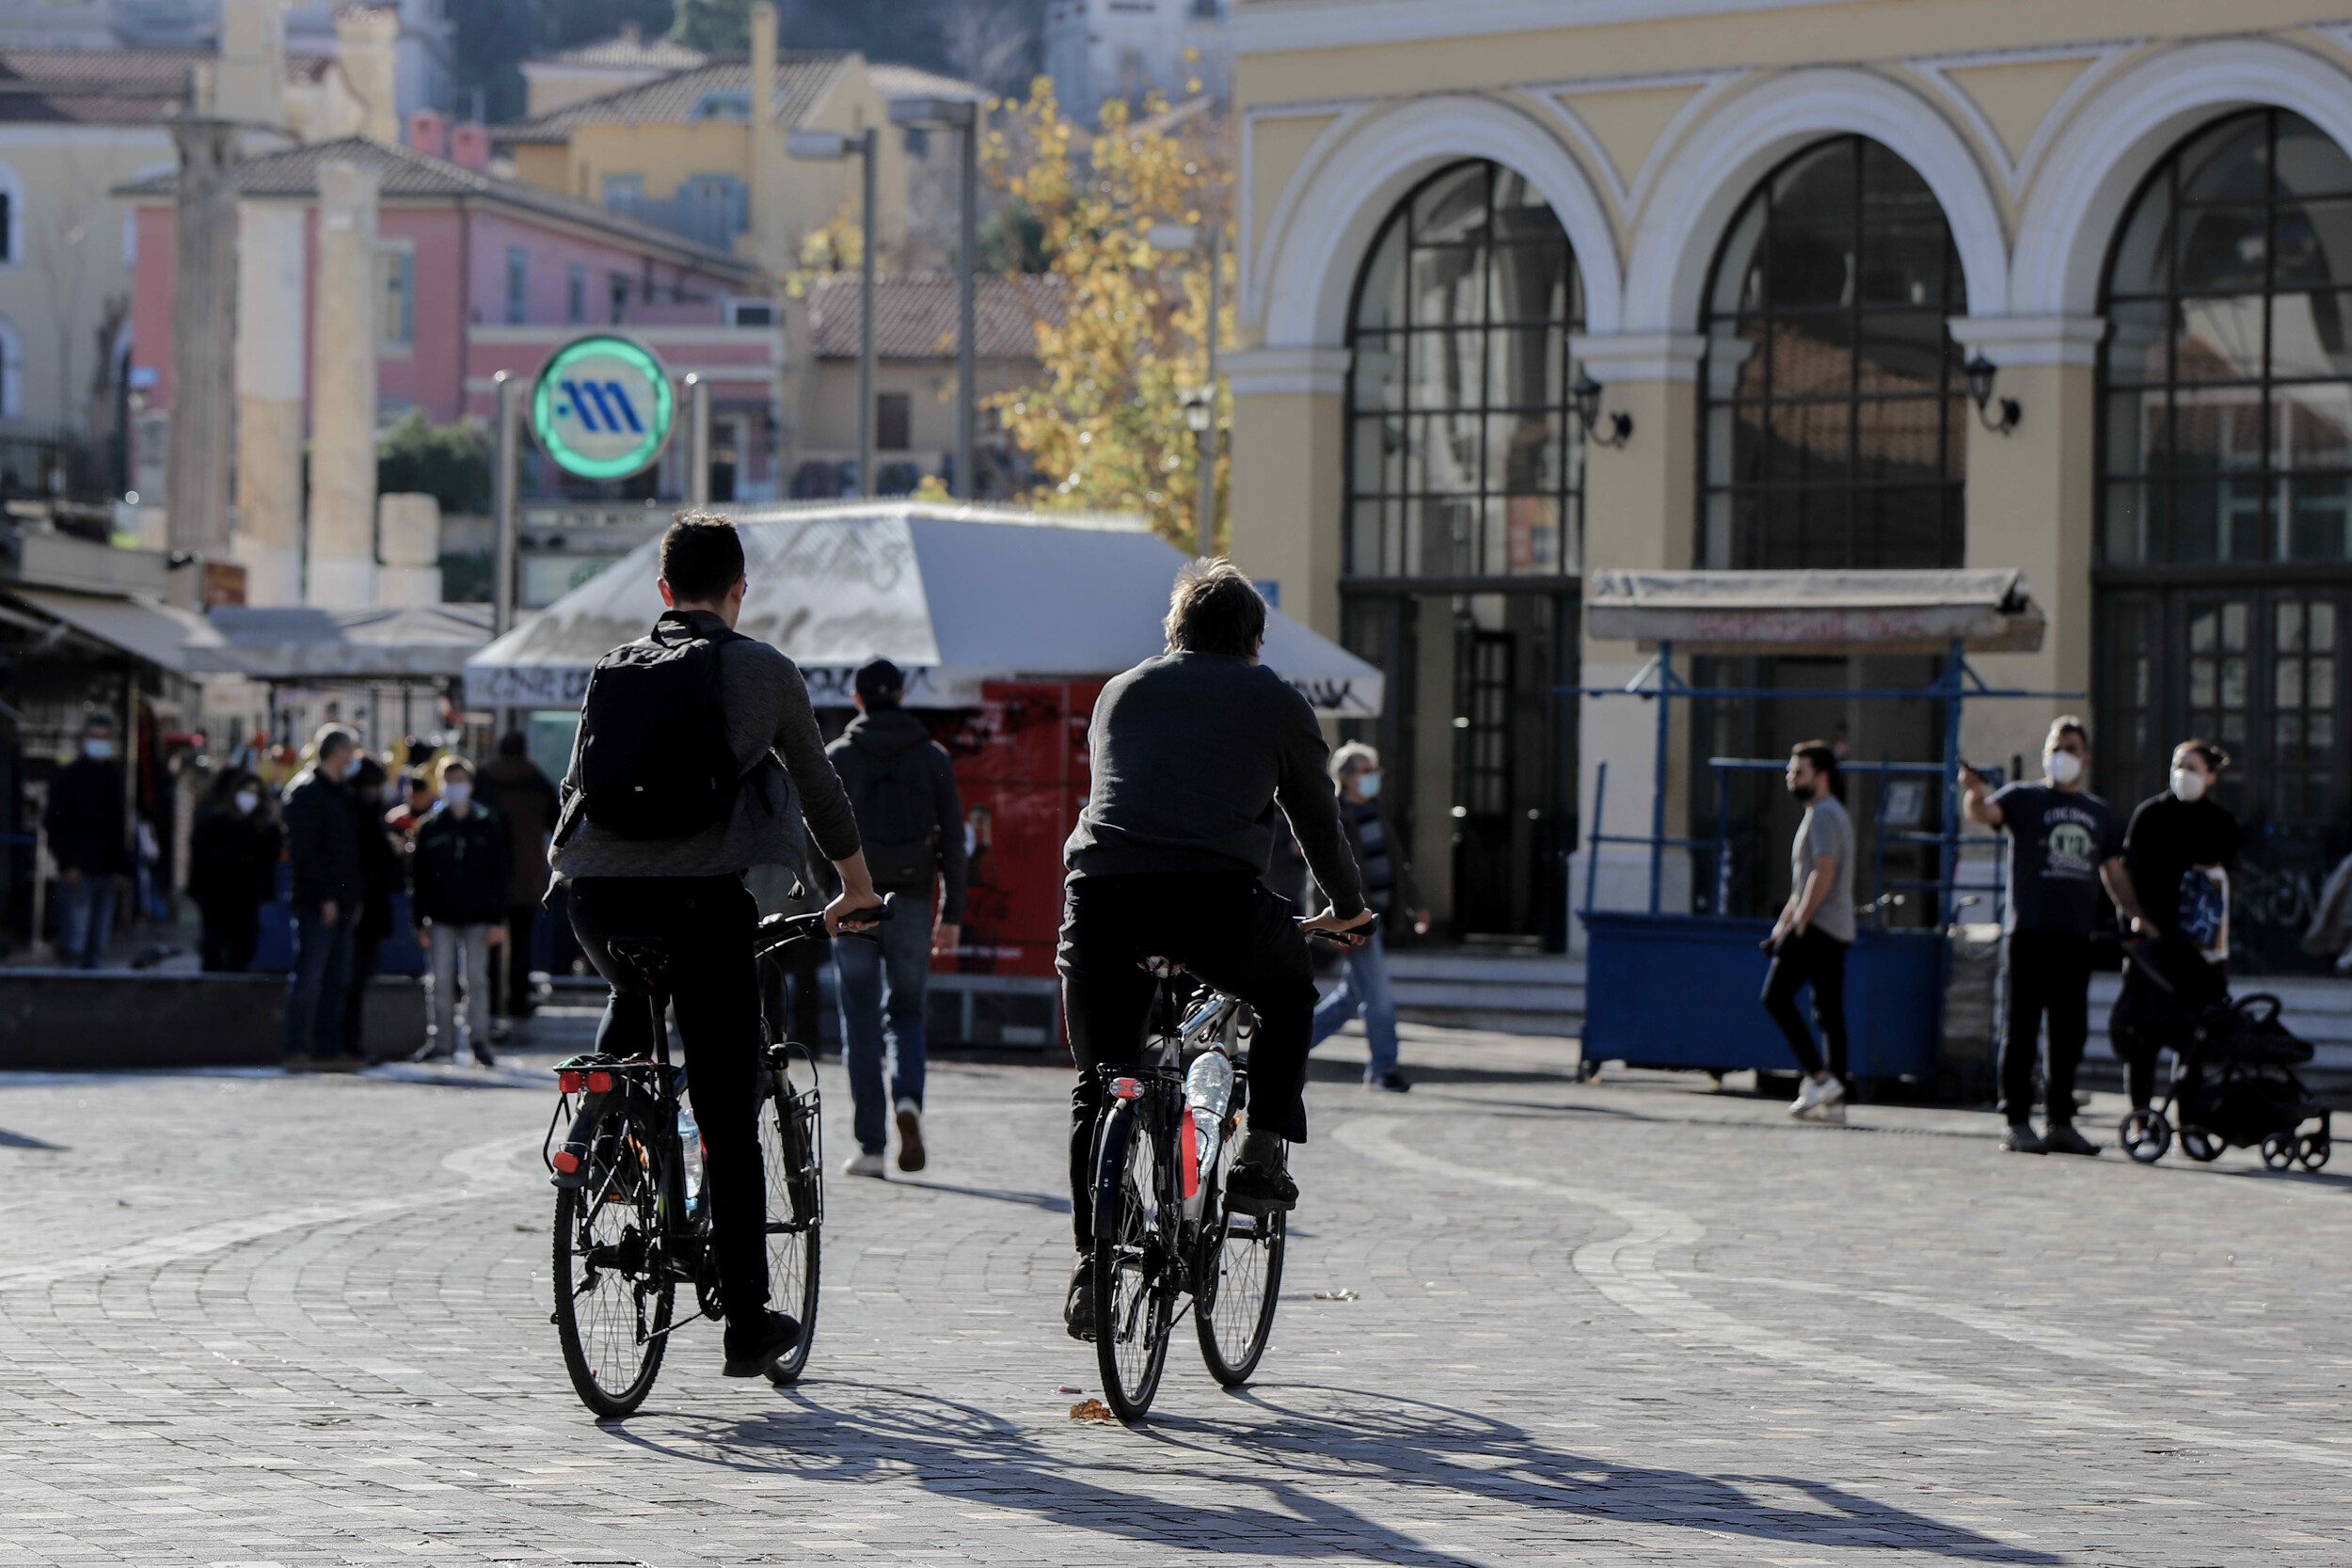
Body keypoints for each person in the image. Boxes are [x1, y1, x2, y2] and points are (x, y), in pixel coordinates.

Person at [551, 511, 882, 1381]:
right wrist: (855, 885)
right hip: (701, 903)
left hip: (593, 896)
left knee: (635, 988)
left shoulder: (612, 668)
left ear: (661, 592)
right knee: (728, 1107)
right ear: (739, 591)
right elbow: (818, 786)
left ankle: (609, 1129)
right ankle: (744, 1322)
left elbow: (578, 783)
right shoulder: (764, 669)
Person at [1057, 560, 1375, 1338]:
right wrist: (1348, 907)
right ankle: (1262, 1151)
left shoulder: (1120, 690)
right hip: (1213, 904)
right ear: (1255, 641)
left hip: (1099, 898)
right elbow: (1315, 819)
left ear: (1175, 633)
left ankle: (1094, 1267)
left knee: (1100, 1085)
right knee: (1289, 992)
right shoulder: (1273, 699)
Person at [1961, 718, 2140, 1156]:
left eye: (2071, 747)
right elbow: (1984, 814)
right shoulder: (2024, 798)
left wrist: (2136, 916)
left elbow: (2113, 871)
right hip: (2028, 932)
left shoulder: (2098, 812)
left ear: (2085, 758)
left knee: (2068, 1033)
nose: (2061, 754)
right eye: (2055, 746)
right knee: (2020, 1030)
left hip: (2074, 937)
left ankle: (2060, 1121)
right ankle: (2017, 1120)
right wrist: (1973, 791)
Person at [824, 657, 967, 1178]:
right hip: (911, 897)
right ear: (903, 696)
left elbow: (814, 834)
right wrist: (951, 913)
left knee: (858, 1021)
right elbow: (954, 840)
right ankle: (907, 1100)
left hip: (853, 901)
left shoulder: (837, 756)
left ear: (857, 699)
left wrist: (830, 896)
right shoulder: (933, 757)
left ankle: (871, 1148)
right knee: (905, 1013)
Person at [2114, 739, 2243, 1114]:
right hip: (2152, 941)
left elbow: (2236, 874)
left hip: (2199, 949)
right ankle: (2140, 1116)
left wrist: (2214, 876)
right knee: (2142, 1035)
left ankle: (2190, 1121)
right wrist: (2136, 919)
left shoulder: (2220, 821)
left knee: (2195, 1036)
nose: (2182, 773)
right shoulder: (2150, 815)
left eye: (2192, 767)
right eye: (2178, 764)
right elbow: (2127, 872)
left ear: (2210, 776)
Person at [1307, 741, 1431, 1092]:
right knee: (1378, 999)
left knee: (1349, 999)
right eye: (1366, 771)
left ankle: (1284, 1048)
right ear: (1346, 778)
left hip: (1378, 920)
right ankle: (1383, 1070)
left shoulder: (1375, 811)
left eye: (1375, 771)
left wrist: (1416, 904)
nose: (1373, 777)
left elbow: (1397, 866)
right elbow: (1319, 873)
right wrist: (1334, 927)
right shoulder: (1335, 815)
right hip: (1353, 923)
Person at [1760, 740, 1855, 1121]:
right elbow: (1802, 883)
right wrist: (1783, 923)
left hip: (1819, 925)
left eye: (1799, 772)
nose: (1791, 778)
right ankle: (1835, 1094)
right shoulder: (1826, 813)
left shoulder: (1823, 816)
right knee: (1828, 1012)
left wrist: (1799, 923)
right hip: (1830, 925)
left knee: (1775, 997)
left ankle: (1819, 1077)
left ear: (1822, 776)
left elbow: (1823, 871)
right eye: (1790, 771)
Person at [410, 756, 510, 1066]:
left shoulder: (486, 823)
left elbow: (500, 873)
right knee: (439, 980)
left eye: (461, 781)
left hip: (478, 916)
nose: (456, 788)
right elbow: (418, 877)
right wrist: (419, 920)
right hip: (440, 917)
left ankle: (478, 1039)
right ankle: (441, 1041)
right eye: (450, 781)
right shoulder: (430, 826)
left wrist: (497, 918)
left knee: (477, 979)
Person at [280, 725, 367, 1070]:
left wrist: (352, 897)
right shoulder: (305, 793)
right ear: (336, 751)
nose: (353, 758)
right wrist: (324, 897)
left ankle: (328, 1046)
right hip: (317, 902)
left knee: (337, 978)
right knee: (310, 974)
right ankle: (295, 1045)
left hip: (343, 902)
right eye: (350, 750)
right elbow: (305, 853)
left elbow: (348, 852)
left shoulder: (342, 793)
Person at [478, 732, 560, 1034]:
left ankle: (491, 1003)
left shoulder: (484, 778)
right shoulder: (536, 780)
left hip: (489, 876)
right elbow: (558, 821)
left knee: (489, 944)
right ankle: (517, 1001)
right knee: (522, 943)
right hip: (527, 874)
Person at [43, 713, 128, 969]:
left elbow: (118, 826)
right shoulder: (68, 777)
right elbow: (54, 823)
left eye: (105, 737)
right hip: (78, 870)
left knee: (97, 945)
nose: (100, 743)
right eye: (95, 737)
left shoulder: (113, 777)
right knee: (75, 944)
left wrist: (120, 868)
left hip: (105, 871)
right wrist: (68, 863)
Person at [340, 754, 402, 1065]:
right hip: (363, 906)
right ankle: (348, 1044)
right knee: (354, 977)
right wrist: (390, 847)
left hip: (362, 904)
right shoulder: (364, 811)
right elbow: (371, 856)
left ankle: (349, 1042)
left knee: (353, 977)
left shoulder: (353, 806)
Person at [188, 767, 280, 973]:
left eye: (256, 793)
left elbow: (268, 856)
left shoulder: (259, 824)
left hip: (247, 898)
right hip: (217, 897)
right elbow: (202, 858)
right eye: (247, 791)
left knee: (243, 950)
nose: (250, 798)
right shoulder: (215, 820)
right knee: (215, 951)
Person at [387, 770, 435, 834]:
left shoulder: (436, 818)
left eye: (421, 797)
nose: (418, 800)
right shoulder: (396, 818)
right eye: (414, 797)